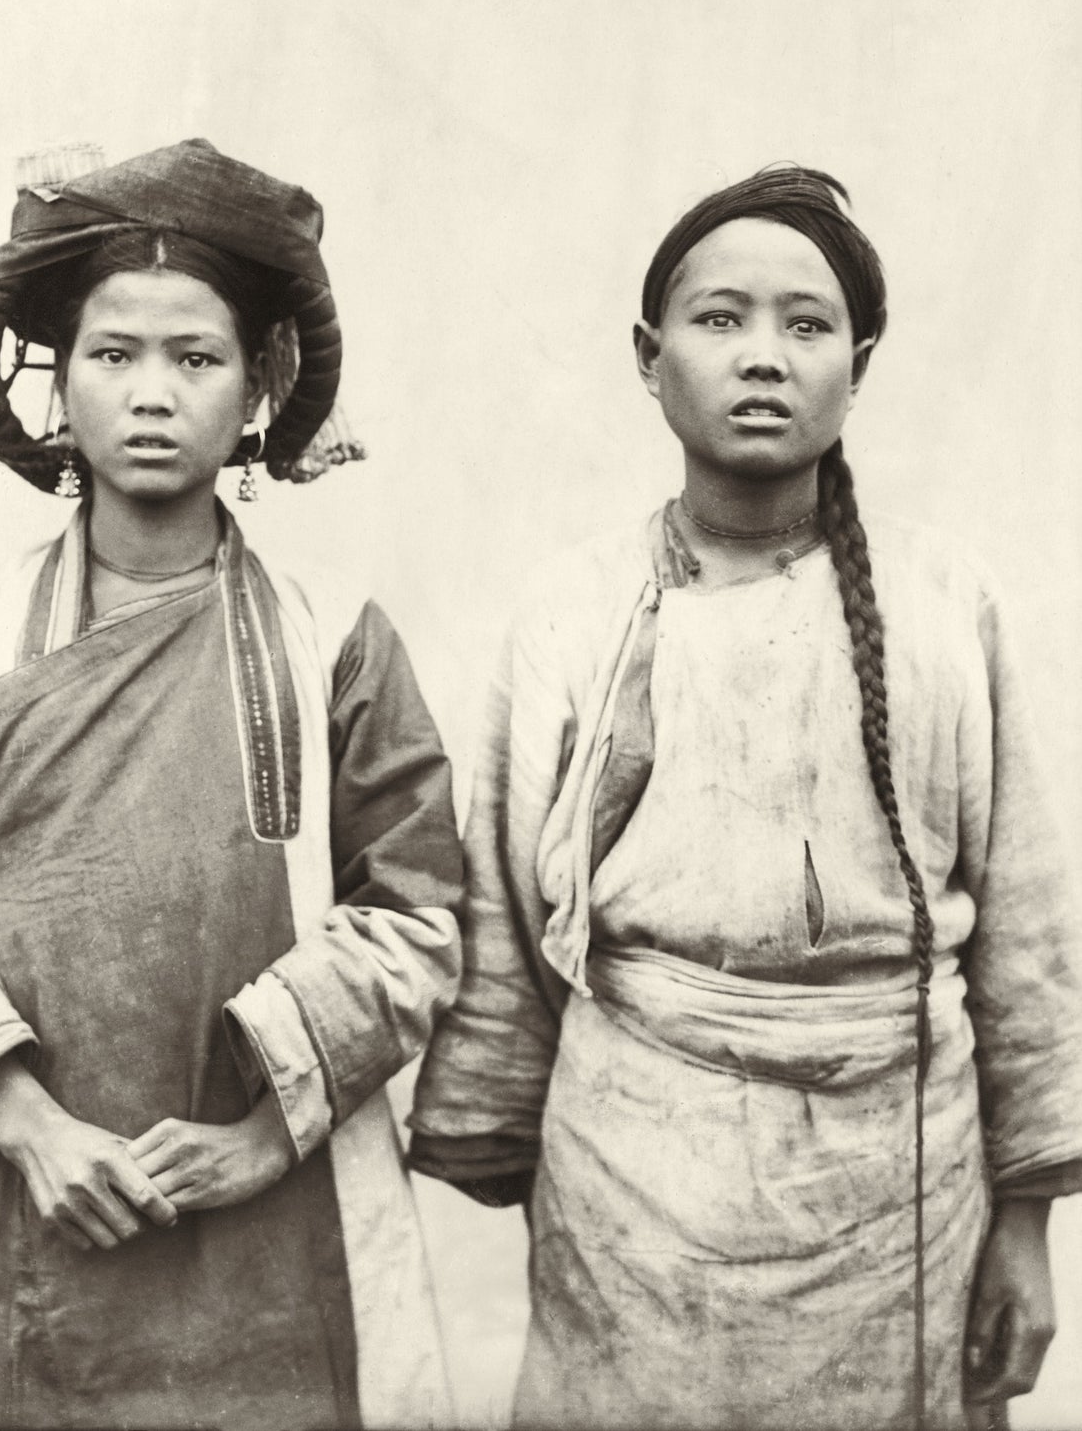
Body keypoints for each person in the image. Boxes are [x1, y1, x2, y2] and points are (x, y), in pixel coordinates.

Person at [408, 166, 1082, 1431]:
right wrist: (503, 1134)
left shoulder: (947, 607)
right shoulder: (569, 610)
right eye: (719, 319)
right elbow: (500, 914)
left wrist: (1025, 1223)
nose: (761, 357)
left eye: (805, 324)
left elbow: (1027, 939)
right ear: (645, 353)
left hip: (900, 1193)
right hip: (635, 1180)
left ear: (858, 363)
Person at [0, 138, 464, 1430]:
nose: (153, 393)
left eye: (195, 358)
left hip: (280, 1208)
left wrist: (255, 1136)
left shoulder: (332, 634)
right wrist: (25, 1122)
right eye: (113, 353)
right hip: (52, 1215)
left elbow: (417, 913)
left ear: (259, 386)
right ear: (58, 382)